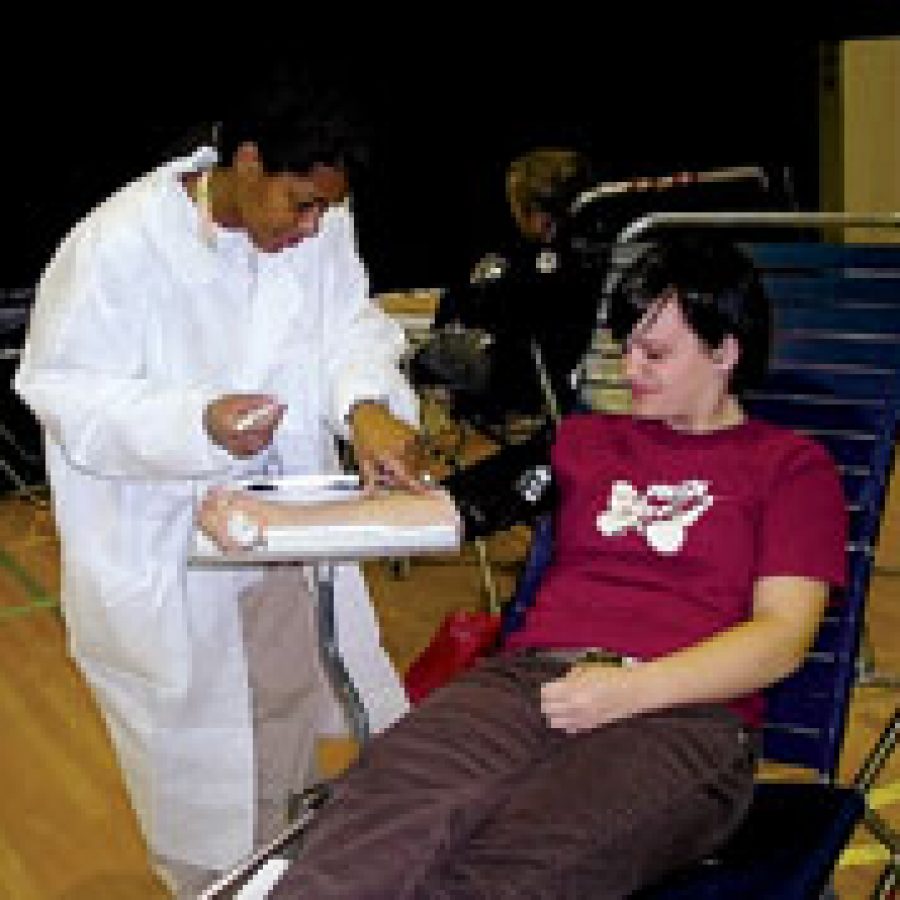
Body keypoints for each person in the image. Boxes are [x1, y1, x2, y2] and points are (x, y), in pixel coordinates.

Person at [207, 235, 847, 898]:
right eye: (625, 345)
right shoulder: (586, 440)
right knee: (379, 811)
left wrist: (631, 690)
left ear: (725, 352)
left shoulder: (790, 468)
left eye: (654, 353)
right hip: (528, 684)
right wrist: (272, 523)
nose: (630, 368)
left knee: (513, 865)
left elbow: (779, 639)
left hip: (685, 714)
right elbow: (449, 511)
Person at [14, 81, 421, 896]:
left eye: (325, 212)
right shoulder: (117, 247)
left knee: (290, 706)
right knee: (207, 759)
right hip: (168, 540)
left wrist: (367, 404)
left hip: (286, 525)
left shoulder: (323, 221)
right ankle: (229, 881)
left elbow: (349, 323)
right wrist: (196, 421)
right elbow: (60, 389)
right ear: (245, 162)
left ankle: (280, 868)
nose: (312, 228)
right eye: (300, 205)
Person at [411, 147, 601, 429]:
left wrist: (464, 299)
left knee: (418, 354)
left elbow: (484, 307)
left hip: (524, 378)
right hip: (567, 376)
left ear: (537, 216)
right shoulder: (596, 256)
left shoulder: (535, 267)